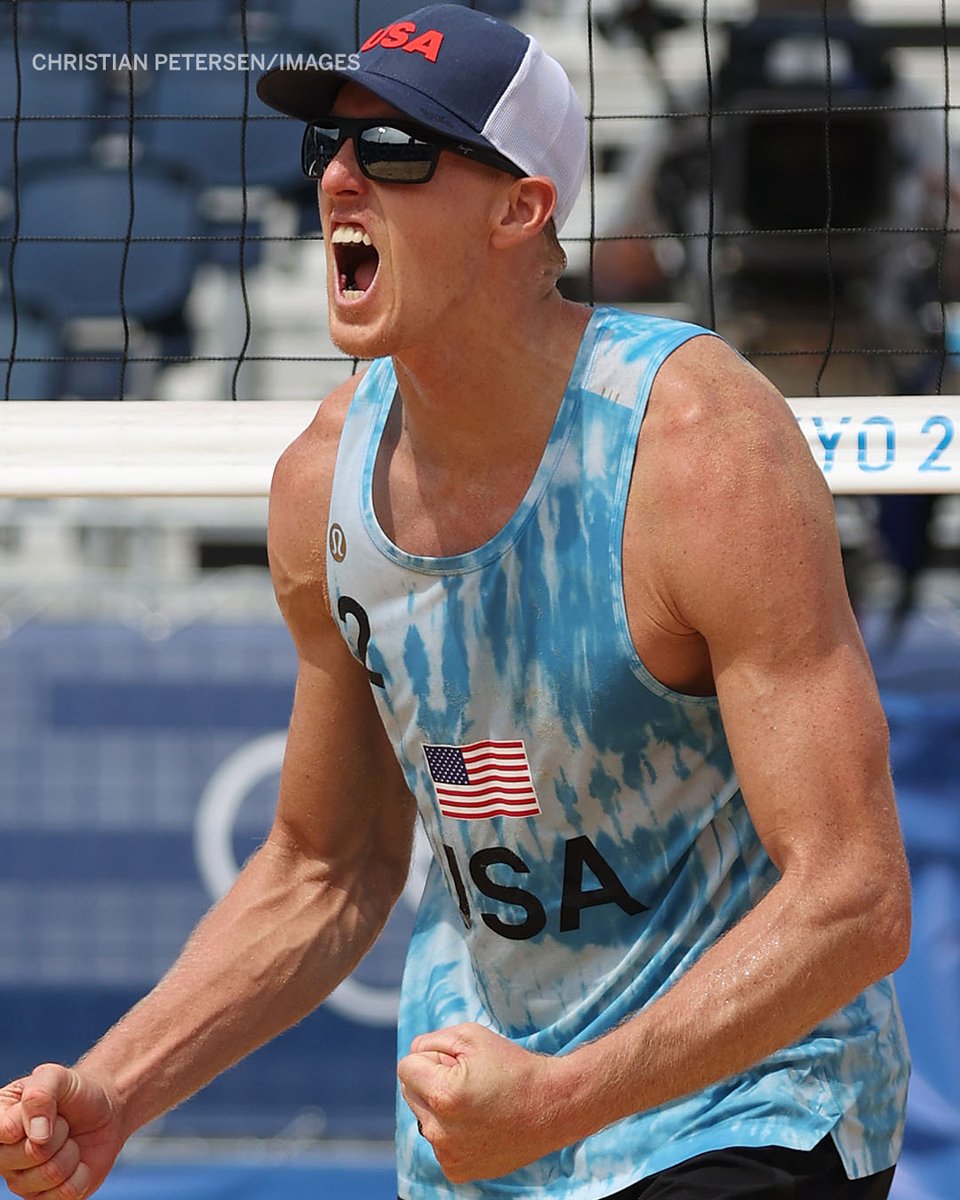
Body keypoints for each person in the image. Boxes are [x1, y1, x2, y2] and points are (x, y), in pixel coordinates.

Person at [0, 5, 911, 1199]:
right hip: (484, 1127)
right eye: (330, 144)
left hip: (747, 1105)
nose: (335, 178)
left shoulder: (698, 450)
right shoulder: (322, 486)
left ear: (521, 208)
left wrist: (566, 1098)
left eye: (394, 152)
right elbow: (326, 868)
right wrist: (115, 1090)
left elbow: (856, 898)